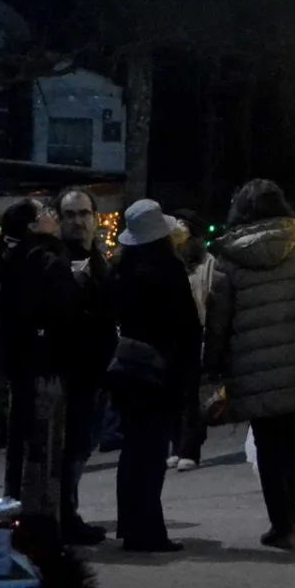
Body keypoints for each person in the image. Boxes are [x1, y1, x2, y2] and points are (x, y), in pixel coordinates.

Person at [202, 180, 295, 549]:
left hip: (250, 361)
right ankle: (294, 513)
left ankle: (281, 523)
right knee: (290, 437)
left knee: (266, 440)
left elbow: (219, 317)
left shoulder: (227, 255)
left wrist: (212, 364)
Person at [107, 198, 200, 554]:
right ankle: (149, 530)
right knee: (151, 453)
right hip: (161, 371)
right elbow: (186, 325)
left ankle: (131, 526)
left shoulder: (122, 271)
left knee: (133, 452)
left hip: (127, 370)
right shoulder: (168, 270)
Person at [0, 198, 82, 535]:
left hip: (19, 360)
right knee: (44, 444)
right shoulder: (46, 259)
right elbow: (63, 311)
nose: (53, 217)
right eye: (46, 213)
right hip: (46, 362)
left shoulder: (10, 257)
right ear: (32, 225)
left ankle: (15, 512)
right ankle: (41, 521)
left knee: (21, 442)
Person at [54, 186, 115, 544]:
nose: (79, 222)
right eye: (71, 215)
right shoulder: (57, 259)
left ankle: (67, 513)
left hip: (98, 367)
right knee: (70, 447)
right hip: (70, 368)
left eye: (84, 214)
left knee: (83, 444)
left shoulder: (99, 260)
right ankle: (64, 515)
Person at [169, 209, 211, 473]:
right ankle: (176, 446)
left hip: (197, 332)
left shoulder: (206, 262)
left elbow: (209, 296)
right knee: (173, 393)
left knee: (193, 395)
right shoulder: (169, 259)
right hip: (172, 334)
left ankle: (189, 449)